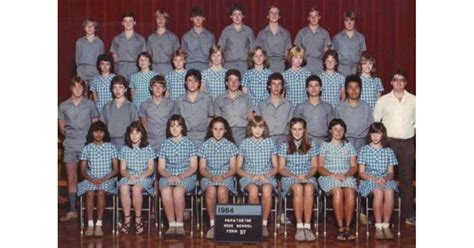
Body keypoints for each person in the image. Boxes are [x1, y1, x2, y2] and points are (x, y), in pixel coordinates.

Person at [373, 68, 416, 226]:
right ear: (391, 82)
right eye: (395, 79)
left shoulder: (414, 100)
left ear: (406, 82)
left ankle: (409, 215)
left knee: (406, 180)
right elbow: (376, 123)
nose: (399, 82)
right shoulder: (383, 100)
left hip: (407, 143)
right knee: (384, 178)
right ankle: (385, 217)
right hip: (388, 143)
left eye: (402, 79)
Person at [59, 76, 99, 222]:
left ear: (84, 89)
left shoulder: (90, 105)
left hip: (86, 145)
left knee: (88, 178)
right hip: (70, 145)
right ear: (71, 88)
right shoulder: (63, 106)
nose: (77, 89)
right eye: (74, 86)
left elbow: (95, 125)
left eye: (80, 87)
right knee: (72, 178)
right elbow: (62, 127)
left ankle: (89, 210)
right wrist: (70, 136)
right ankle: (72, 210)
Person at [278, 118, 319, 241]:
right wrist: (294, 177)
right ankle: (299, 226)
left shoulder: (312, 144)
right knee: (298, 188)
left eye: (300, 129)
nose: (297, 132)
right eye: (294, 129)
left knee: (309, 188)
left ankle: (307, 226)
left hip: (307, 175)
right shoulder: (284, 146)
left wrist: (306, 176)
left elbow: (314, 166)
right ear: (290, 130)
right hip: (290, 177)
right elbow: (281, 169)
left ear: (304, 130)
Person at [237, 116, 278, 238]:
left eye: (260, 127)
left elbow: (276, 167)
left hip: (266, 176)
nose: (257, 130)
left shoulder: (270, 142)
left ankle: (263, 224)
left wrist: (266, 175)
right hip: (249, 176)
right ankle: (253, 222)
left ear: (264, 128)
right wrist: (251, 176)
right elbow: (238, 169)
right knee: (253, 190)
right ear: (250, 128)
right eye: (254, 127)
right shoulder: (244, 143)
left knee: (266, 190)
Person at [157, 115, 198, 236]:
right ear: (168, 128)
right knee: (165, 191)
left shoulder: (190, 143)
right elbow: (161, 168)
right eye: (172, 126)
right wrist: (169, 176)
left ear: (182, 127)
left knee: (178, 191)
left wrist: (181, 176)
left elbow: (193, 167)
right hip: (168, 175)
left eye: (177, 125)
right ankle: (171, 224)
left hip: (186, 176)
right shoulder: (164, 144)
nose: (175, 129)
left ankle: (180, 225)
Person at [317, 118, 358, 241]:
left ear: (344, 131)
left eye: (341, 130)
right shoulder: (325, 145)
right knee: (338, 191)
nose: (338, 132)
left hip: (345, 175)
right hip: (329, 176)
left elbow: (354, 166)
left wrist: (346, 175)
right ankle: (340, 227)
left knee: (350, 192)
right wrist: (332, 175)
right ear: (330, 131)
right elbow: (320, 167)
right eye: (335, 129)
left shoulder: (349, 145)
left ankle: (347, 227)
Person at [199, 117, 239, 239]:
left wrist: (223, 176)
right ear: (211, 130)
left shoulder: (230, 146)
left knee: (222, 191)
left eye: (221, 129)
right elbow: (202, 168)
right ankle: (212, 224)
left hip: (226, 175)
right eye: (215, 129)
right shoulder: (205, 145)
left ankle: (223, 223)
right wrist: (211, 177)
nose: (218, 132)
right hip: (209, 176)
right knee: (211, 190)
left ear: (225, 131)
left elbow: (233, 168)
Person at [78, 121, 119, 237]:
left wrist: (103, 179)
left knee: (101, 192)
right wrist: (91, 179)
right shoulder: (87, 148)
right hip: (91, 178)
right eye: (96, 132)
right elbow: (82, 170)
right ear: (92, 133)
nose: (98, 134)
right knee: (90, 193)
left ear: (104, 133)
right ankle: (90, 224)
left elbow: (116, 169)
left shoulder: (111, 147)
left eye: (101, 132)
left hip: (107, 178)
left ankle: (99, 225)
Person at [358, 122, 398, 239]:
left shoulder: (388, 150)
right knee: (379, 192)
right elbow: (361, 173)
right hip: (369, 180)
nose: (375, 136)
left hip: (385, 179)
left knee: (389, 192)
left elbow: (391, 173)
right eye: (373, 133)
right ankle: (378, 226)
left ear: (383, 135)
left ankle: (386, 226)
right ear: (369, 134)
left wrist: (384, 178)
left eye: (378, 133)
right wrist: (375, 179)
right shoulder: (364, 150)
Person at [117, 121, 156, 235]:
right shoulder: (124, 149)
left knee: (136, 188)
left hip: (144, 176)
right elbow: (122, 169)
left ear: (142, 134)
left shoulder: (148, 148)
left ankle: (138, 219)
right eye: (132, 133)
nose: (134, 135)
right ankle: (127, 219)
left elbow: (150, 169)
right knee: (124, 188)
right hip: (129, 175)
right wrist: (129, 176)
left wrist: (140, 176)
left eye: (137, 133)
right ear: (128, 135)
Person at [176, 69, 214, 148]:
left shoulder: (207, 99)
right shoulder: (179, 100)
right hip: (185, 137)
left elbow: (211, 117)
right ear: (185, 82)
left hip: (203, 136)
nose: (192, 84)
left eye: (196, 81)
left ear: (199, 83)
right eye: (190, 80)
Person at [335, 75, 373, 152]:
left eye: (357, 87)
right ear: (346, 90)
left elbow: (371, 128)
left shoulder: (366, 107)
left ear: (361, 89)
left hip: (363, 145)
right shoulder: (339, 107)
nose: (354, 90)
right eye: (350, 87)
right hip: (344, 145)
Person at [214, 69, 254, 146]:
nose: (233, 83)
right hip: (226, 133)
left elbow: (250, 118)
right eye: (230, 80)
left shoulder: (246, 98)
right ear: (226, 83)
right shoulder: (219, 99)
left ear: (239, 83)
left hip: (243, 132)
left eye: (236, 80)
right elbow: (218, 121)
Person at [140, 75, 177, 153]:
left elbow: (174, 122)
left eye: (160, 86)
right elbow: (144, 120)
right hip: (150, 140)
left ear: (164, 89)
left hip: (166, 140)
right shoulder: (144, 104)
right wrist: (148, 133)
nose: (157, 89)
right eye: (155, 86)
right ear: (151, 88)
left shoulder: (171, 104)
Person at [100, 75, 139, 149]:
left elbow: (136, 128)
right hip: (109, 143)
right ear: (111, 89)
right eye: (115, 87)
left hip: (127, 143)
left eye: (120, 87)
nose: (117, 90)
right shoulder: (106, 107)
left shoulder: (131, 107)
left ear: (125, 89)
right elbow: (101, 128)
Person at [294, 75, 334, 146]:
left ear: (321, 88)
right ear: (306, 89)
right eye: (310, 86)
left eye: (316, 85)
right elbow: (294, 127)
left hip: (324, 142)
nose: (313, 88)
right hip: (306, 142)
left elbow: (332, 128)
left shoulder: (328, 107)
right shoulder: (300, 107)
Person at [256, 72, 293, 147]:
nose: (276, 87)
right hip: (266, 140)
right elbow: (258, 124)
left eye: (279, 84)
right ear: (269, 86)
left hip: (284, 140)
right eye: (273, 84)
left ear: (282, 87)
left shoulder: (288, 104)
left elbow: (291, 124)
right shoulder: (262, 104)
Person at [218, 3, 255, 75]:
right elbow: (220, 49)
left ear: (243, 16)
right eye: (234, 14)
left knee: (244, 85)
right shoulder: (226, 31)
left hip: (244, 65)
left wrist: (251, 64)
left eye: (239, 14)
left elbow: (253, 50)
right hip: (229, 64)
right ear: (231, 16)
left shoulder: (248, 31)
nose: (237, 17)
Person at [110, 12, 147, 81]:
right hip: (121, 69)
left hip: (135, 68)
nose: (128, 23)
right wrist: (117, 69)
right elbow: (114, 56)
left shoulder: (140, 39)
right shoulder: (116, 39)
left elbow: (143, 56)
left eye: (130, 21)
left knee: (134, 90)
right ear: (122, 23)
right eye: (125, 21)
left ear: (134, 22)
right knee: (121, 90)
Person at [294, 6, 331, 75]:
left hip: (320, 66)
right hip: (304, 65)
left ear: (319, 17)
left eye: (316, 16)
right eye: (311, 16)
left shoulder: (325, 33)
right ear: (308, 18)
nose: (313, 18)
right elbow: (297, 52)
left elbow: (326, 52)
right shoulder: (301, 33)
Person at [256, 5, 292, 73]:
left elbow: (287, 53)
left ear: (279, 17)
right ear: (268, 16)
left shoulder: (286, 33)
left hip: (282, 65)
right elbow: (259, 52)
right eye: (271, 12)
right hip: (265, 65)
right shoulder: (261, 34)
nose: (274, 15)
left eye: (276, 13)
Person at [332, 11, 367, 77]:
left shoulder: (361, 37)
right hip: (341, 71)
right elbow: (333, 55)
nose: (349, 23)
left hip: (356, 71)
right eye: (346, 21)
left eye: (351, 20)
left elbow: (362, 55)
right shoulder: (337, 38)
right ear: (343, 22)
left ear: (355, 22)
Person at [147, 10, 180, 76]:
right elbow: (148, 55)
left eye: (163, 18)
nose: (161, 20)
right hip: (154, 68)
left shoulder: (173, 37)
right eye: (158, 18)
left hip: (168, 68)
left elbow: (177, 55)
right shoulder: (150, 38)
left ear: (166, 20)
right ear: (155, 20)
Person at [182, 7, 215, 71]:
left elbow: (213, 54)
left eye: (200, 16)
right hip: (190, 66)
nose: (198, 19)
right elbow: (183, 55)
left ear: (204, 18)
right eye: (195, 17)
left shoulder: (210, 36)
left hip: (206, 66)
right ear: (191, 19)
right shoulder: (186, 36)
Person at [75, 18, 104, 89]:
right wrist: (80, 69)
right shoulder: (79, 42)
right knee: (82, 91)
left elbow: (102, 59)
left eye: (92, 26)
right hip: (82, 70)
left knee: (94, 92)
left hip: (94, 70)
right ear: (84, 28)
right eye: (87, 26)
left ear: (95, 28)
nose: (90, 28)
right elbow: (77, 57)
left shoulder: (99, 42)